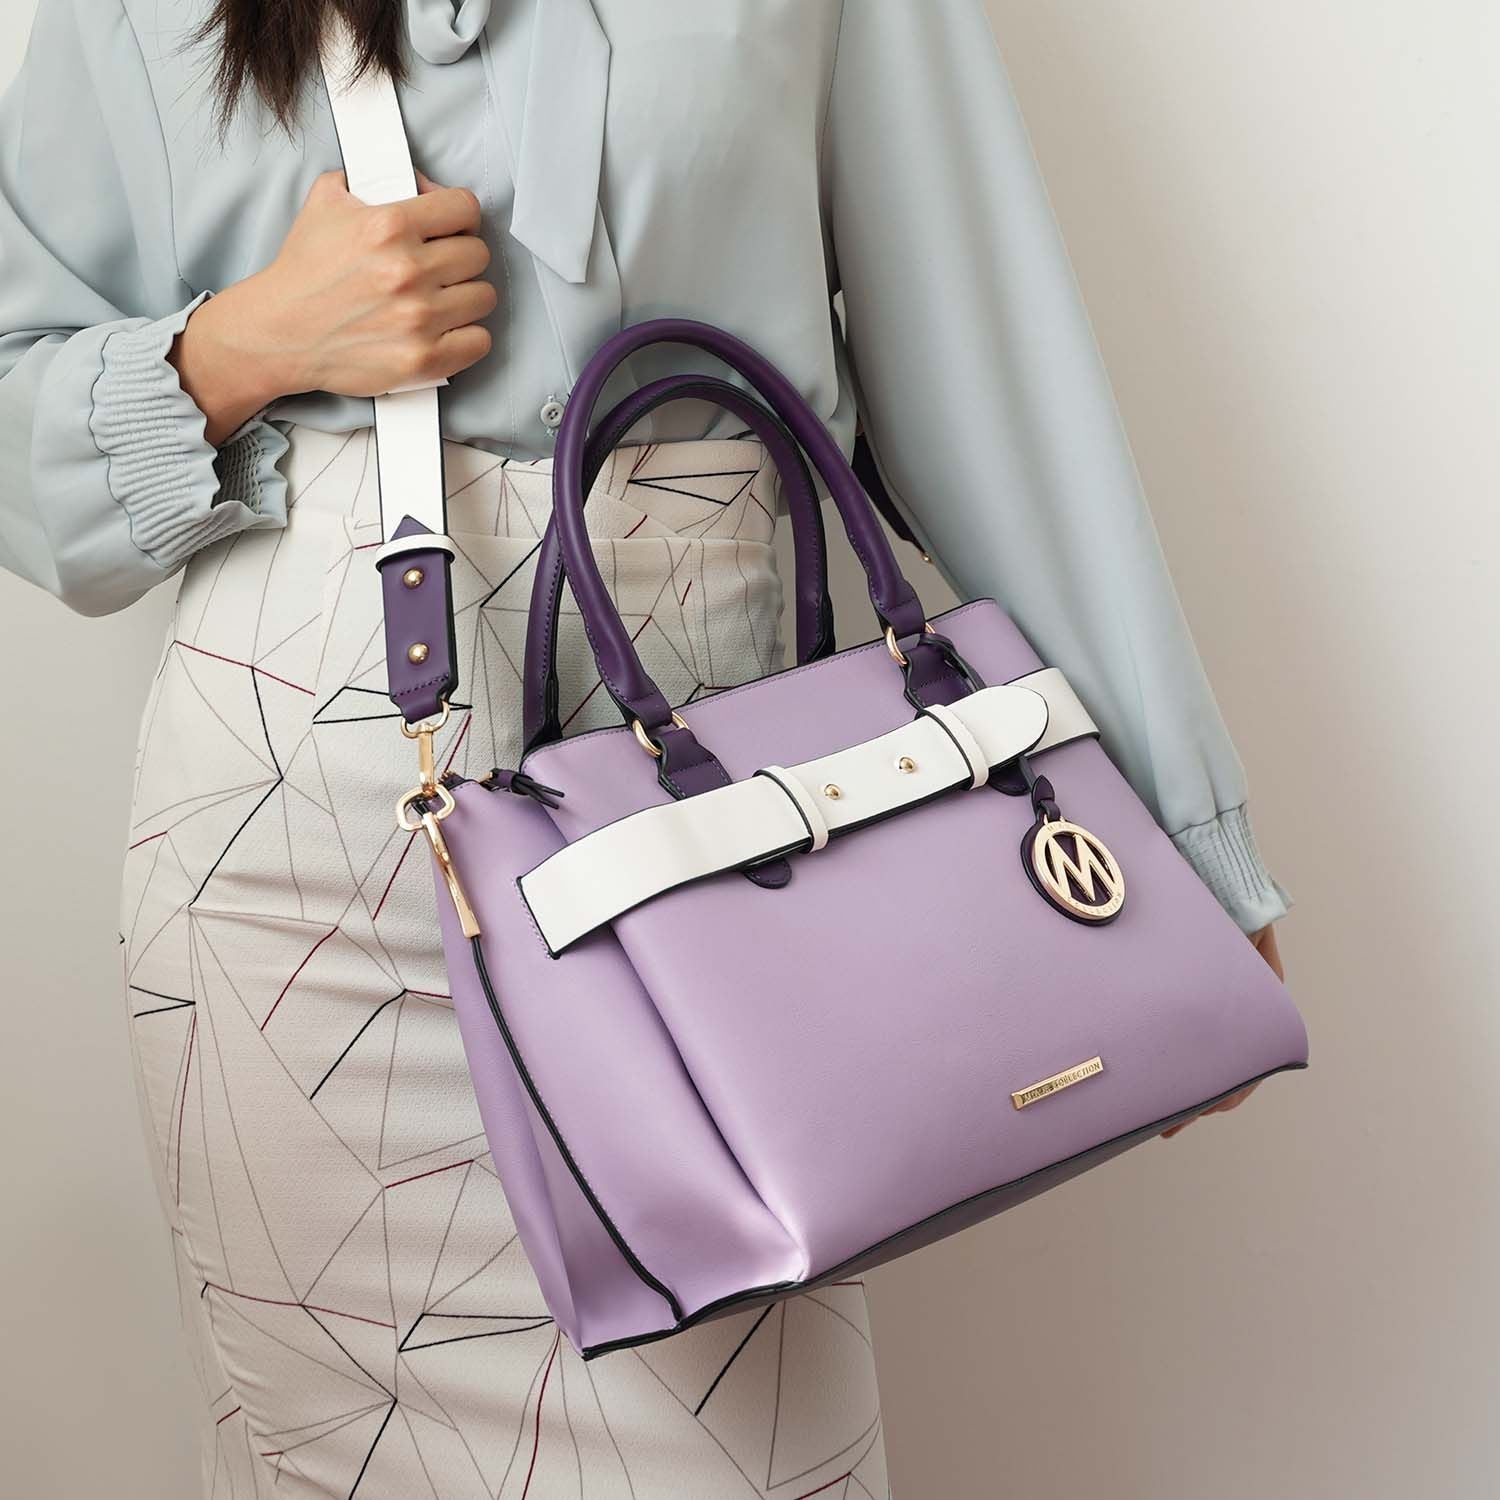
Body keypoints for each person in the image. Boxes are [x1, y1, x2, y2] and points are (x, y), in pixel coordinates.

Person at [0, 1, 1289, 1494]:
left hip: (717, 855)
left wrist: (1178, 836)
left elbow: (984, 361)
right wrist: (241, 345)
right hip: (298, 872)